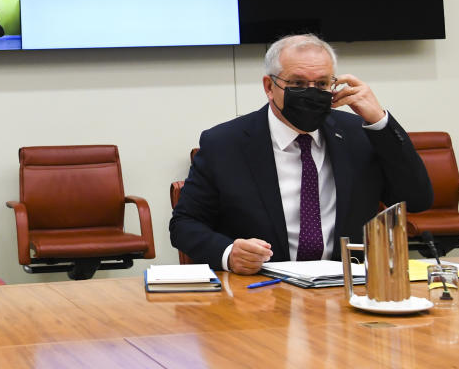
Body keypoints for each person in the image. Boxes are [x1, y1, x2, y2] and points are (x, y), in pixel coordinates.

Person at [169, 34, 433, 274]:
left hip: (344, 283)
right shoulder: (225, 143)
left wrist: (380, 122)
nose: (310, 92)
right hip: (262, 288)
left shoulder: (359, 134)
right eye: (297, 83)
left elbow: (416, 200)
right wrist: (228, 253)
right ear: (269, 87)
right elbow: (184, 224)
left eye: (321, 84)